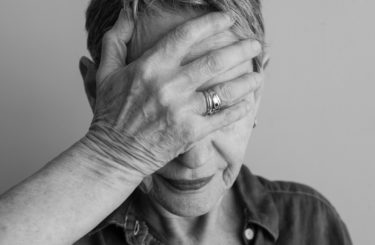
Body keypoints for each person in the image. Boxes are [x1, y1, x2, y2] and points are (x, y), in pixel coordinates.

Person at [0, 0, 352, 244]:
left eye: (220, 102)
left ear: (257, 91)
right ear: (96, 92)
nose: (194, 158)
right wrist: (112, 152)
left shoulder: (312, 222)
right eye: (156, 111)